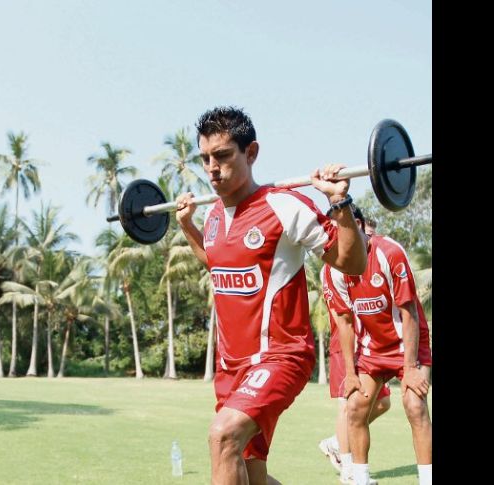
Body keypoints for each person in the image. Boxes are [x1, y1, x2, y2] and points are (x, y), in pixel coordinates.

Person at [175, 106, 367, 485]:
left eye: (222, 156)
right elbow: (218, 264)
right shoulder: (213, 216)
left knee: (223, 436)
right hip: (231, 367)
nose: (212, 168)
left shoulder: (284, 206)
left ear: (251, 153)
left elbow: (353, 263)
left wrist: (339, 203)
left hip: (280, 356)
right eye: (205, 158)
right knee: (251, 475)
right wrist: (187, 227)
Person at [327, 210, 432, 485]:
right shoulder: (334, 268)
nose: (334, 239)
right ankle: (360, 479)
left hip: (408, 343)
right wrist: (351, 373)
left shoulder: (390, 252)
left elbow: (409, 311)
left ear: (357, 225)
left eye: (339, 231)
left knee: (414, 405)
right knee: (355, 408)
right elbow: (345, 322)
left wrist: (410, 368)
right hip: (372, 349)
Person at [317, 208, 390, 485]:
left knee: (382, 403)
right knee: (347, 405)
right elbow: (343, 316)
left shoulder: (374, 260)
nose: (370, 241)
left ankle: (337, 442)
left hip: (369, 343)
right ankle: (348, 469)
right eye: (367, 234)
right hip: (345, 343)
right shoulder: (333, 267)